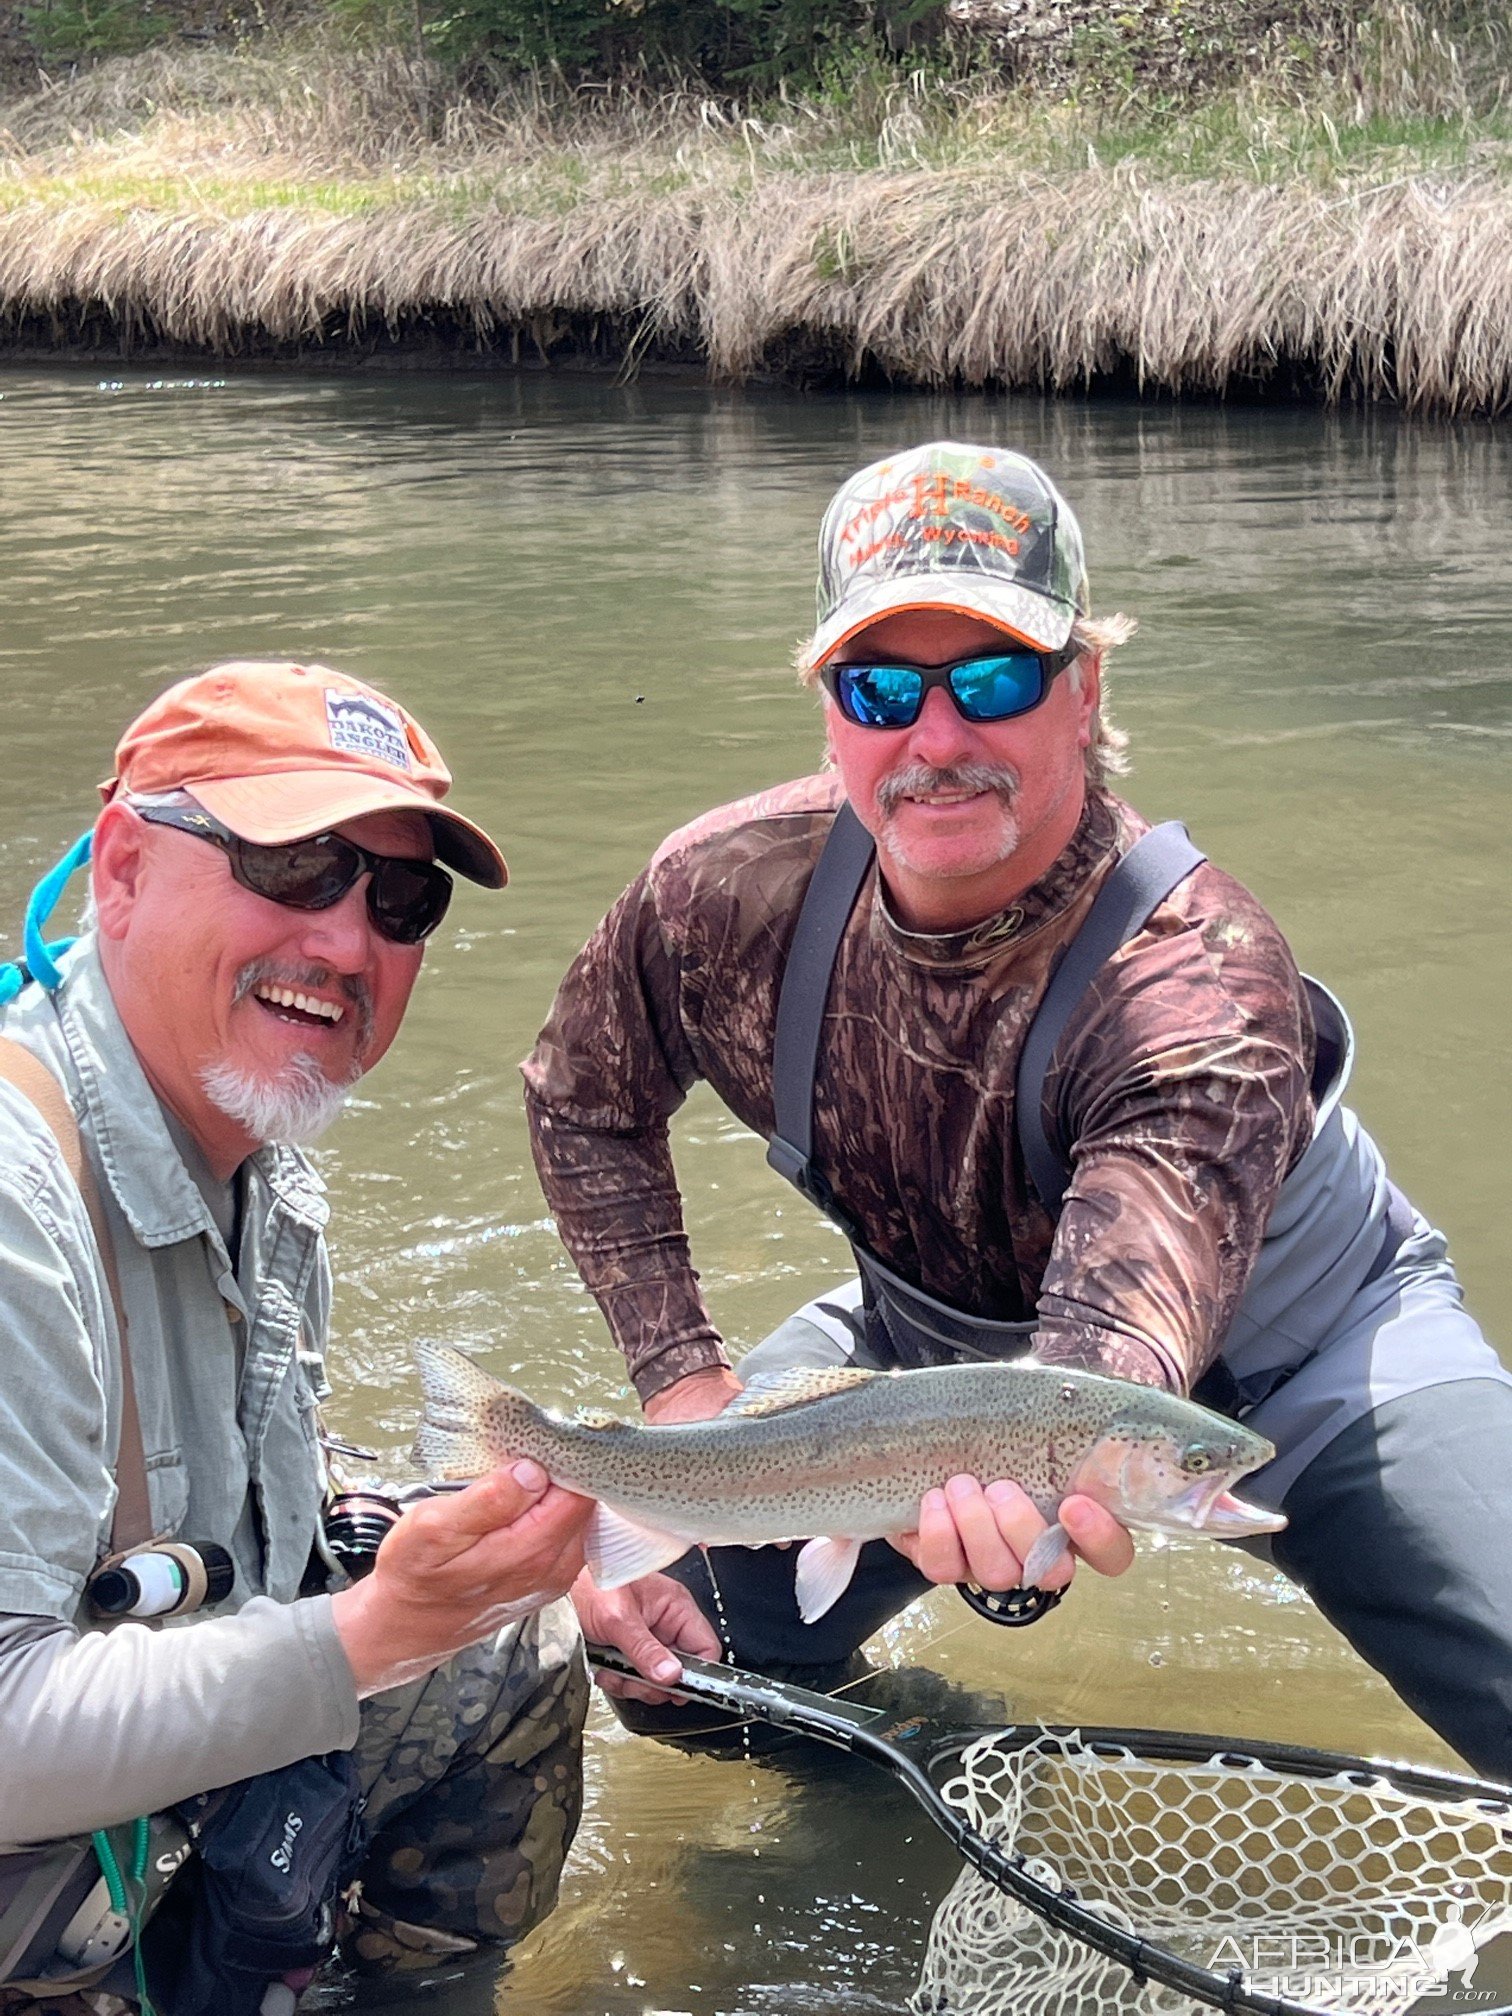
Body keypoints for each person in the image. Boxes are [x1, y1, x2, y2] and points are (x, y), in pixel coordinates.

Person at [524, 441, 1512, 1779]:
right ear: (831, 709)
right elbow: (582, 1105)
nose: (936, 741)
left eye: (992, 679)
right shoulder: (721, 897)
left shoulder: (1195, 978)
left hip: (1317, 1357)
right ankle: (908, 1780)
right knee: (663, 1646)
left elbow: (1100, 1375)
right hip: (933, 1359)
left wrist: (1017, 1547)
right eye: (882, 687)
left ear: (1083, 687)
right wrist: (684, 1387)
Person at [0, 660, 711, 2012]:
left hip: (127, 1801)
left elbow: (249, 1504)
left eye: (399, 900)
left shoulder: (254, 1152)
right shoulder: (12, 1200)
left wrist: (501, 1556)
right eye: (291, 867)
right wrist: (377, 1632)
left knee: (510, 1653)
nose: (346, 943)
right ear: (123, 869)